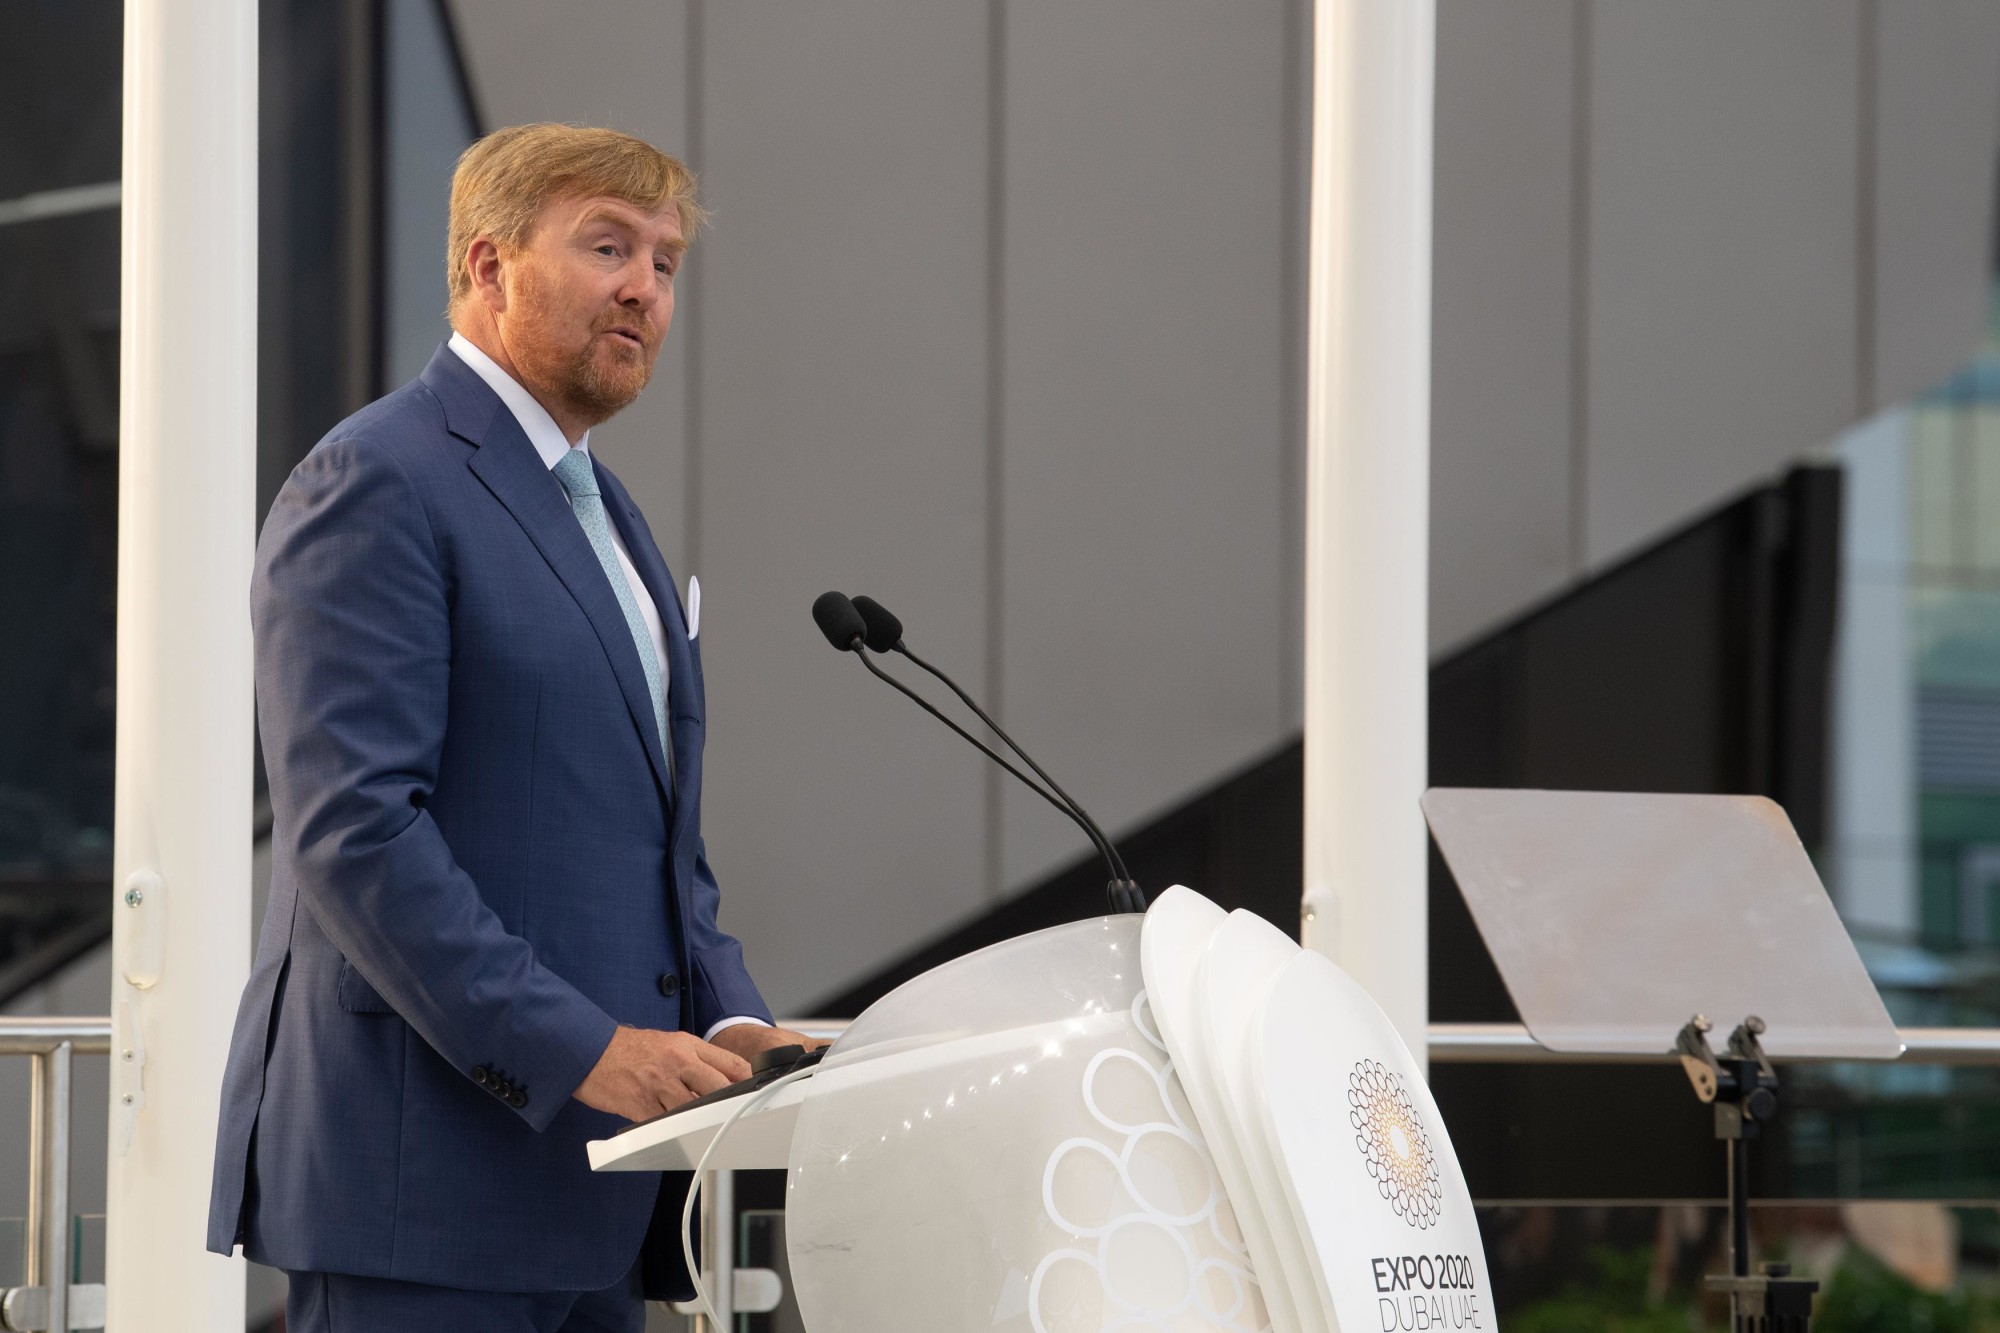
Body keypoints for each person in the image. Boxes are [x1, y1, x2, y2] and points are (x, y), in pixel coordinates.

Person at [206, 123, 815, 1332]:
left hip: (594, 1186)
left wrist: (732, 1016)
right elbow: (356, 832)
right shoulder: (374, 477)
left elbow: (659, 849)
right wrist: (581, 1048)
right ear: (487, 268)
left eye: (665, 260)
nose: (645, 285)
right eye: (606, 246)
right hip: (419, 1182)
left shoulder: (607, 513)